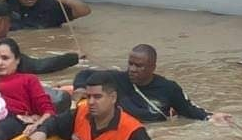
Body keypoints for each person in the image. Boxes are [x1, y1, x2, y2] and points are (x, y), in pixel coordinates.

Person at [73, 44, 233, 124]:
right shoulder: (116, 78)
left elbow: (188, 109)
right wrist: (79, 88)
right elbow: (85, 73)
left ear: (152, 68)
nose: (133, 69)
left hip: (154, 129)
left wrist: (212, 117)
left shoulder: (169, 88)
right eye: (130, 64)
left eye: (139, 66)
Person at [29, 72, 161, 140]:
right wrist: (43, 131)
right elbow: (55, 122)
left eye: (97, 97)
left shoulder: (133, 132)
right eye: (88, 96)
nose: (91, 102)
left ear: (113, 97)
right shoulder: (80, 113)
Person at [0, 38, 56, 140]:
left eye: (5, 58)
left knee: (1, 128)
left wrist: (37, 125)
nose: (0, 62)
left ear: (17, 60)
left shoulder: (29, 79)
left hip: (15, 119)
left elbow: (48, 111)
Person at [0, 0, 79, 74]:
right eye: (9, 21)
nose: (10, 25)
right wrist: (74, 57)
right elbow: (38, 67)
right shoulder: (0, 52)